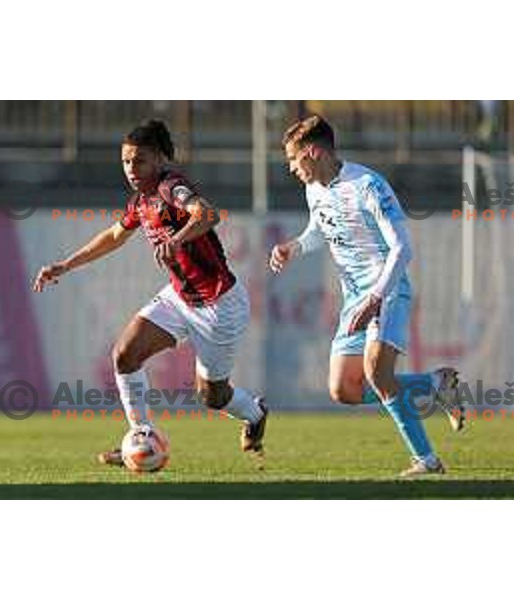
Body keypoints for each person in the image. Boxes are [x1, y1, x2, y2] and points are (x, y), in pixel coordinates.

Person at [33, 119, 267, 466]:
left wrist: (176, 237)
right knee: (125, 355)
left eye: (139, 160)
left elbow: (207, 214)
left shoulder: (172, 187)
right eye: (126, 161)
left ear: (159, 159)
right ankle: (141, 437)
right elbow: (114, 236)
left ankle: (255, 412)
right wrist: (65, 265)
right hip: (179, 298)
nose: (131, 168)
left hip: (219, 305)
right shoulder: (140, 202)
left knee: (212, 396)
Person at [269, 114, 464, 477]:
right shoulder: (314, 189)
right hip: (354, 298)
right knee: (344, 389)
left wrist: (376, 297)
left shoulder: (368, 185)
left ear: (312, 152)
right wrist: (293, 247)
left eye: (294, 159)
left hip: (384, 290)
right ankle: (434, 383)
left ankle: (427, 460)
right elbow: (319, 230)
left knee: (377, 370)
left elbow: (402, 248)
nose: (292, 168)